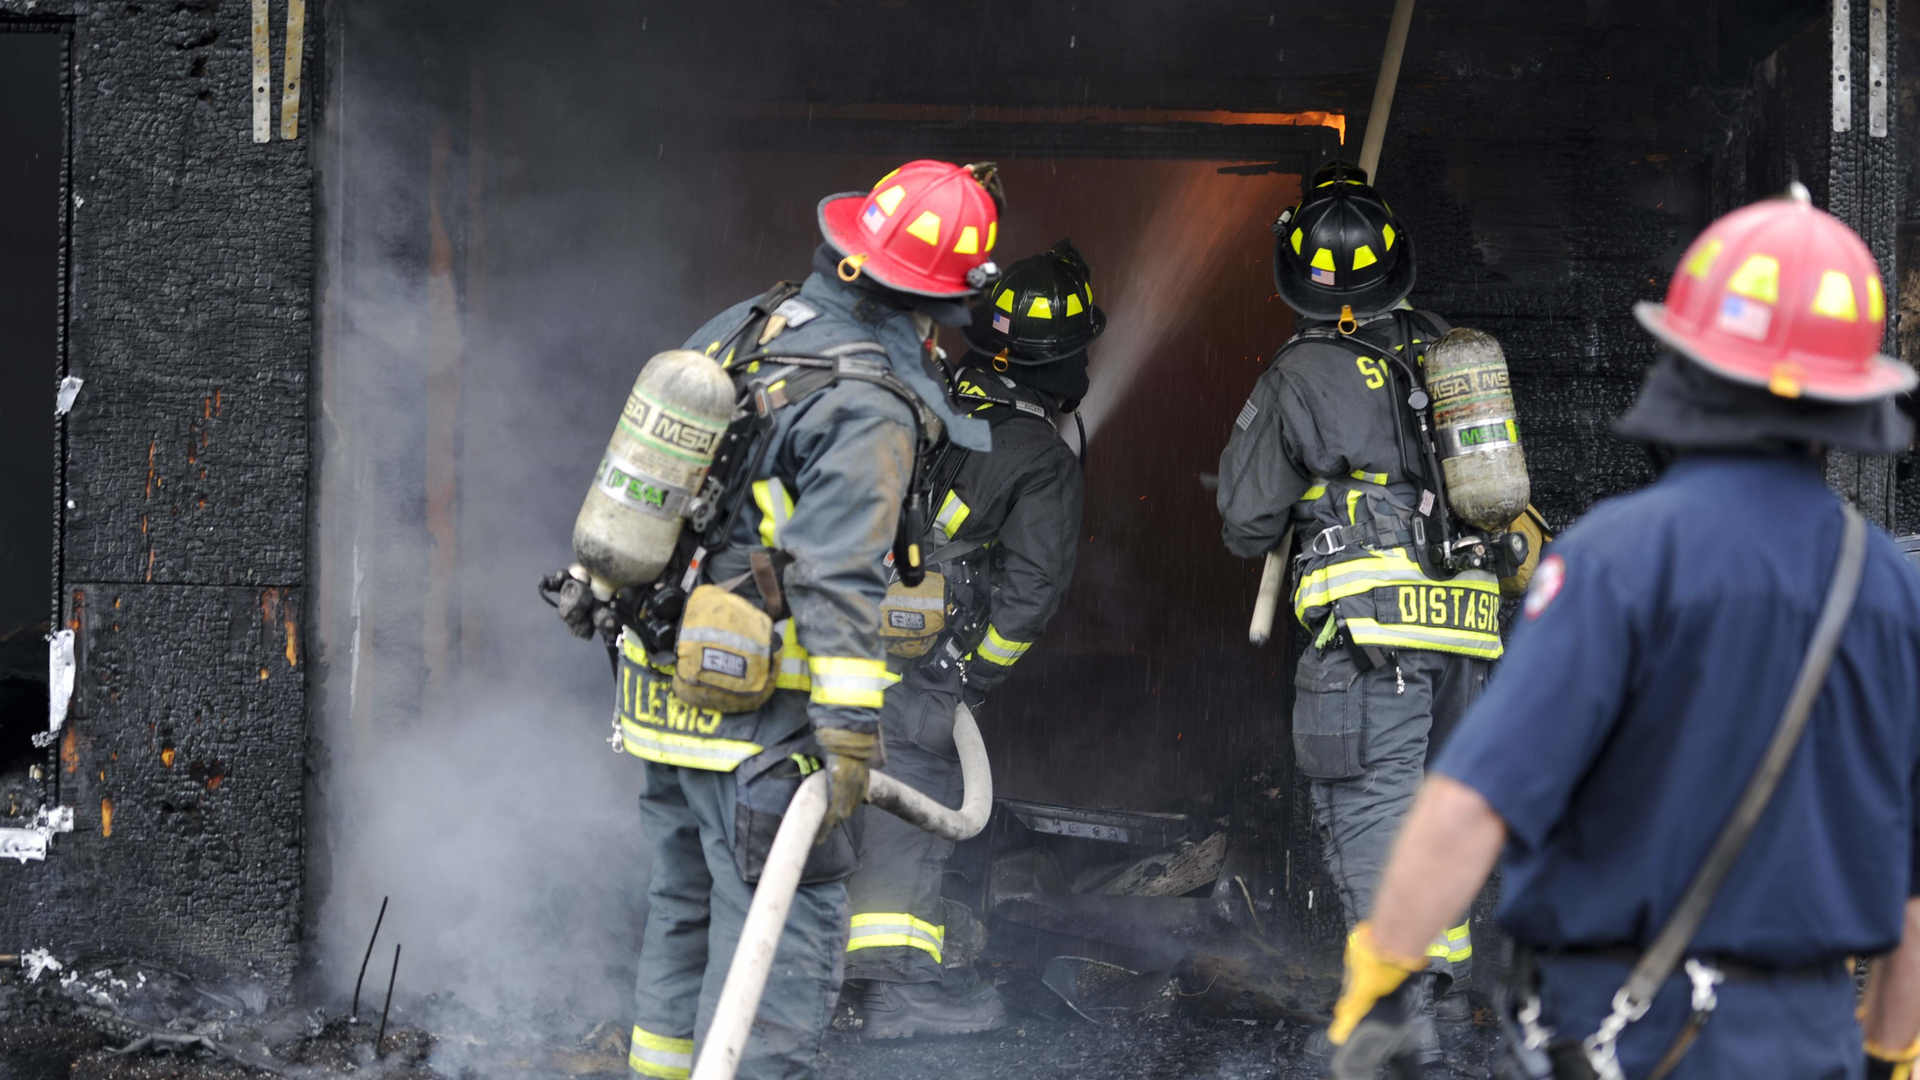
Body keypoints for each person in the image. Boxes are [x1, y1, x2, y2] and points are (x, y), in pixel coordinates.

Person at [1325, 185, 1920, 1080]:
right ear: (1846, 404)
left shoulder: (1616, 563)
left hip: (1629, 1039)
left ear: (1687, 367)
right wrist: (1890, 1049)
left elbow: (1468, 807)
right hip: (1806, 1043)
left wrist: (1381, 990)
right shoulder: (1889, 591)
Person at [559, 160, 1004, 1080]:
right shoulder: (870, 404)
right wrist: (847, 735)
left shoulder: (748, 323)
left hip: (662, 688)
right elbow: (838, 575)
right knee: (781, 953)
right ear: (940, 303)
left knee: (683, 910)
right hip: (763, 726)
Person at [1216, 160, 1495, 1056]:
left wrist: (1301, 485)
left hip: (1373, 633)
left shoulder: (1300, 373)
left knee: (1372, 813)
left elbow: (1241, 520)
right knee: (1439, 805)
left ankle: (1392, 1011)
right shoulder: (1445, 345)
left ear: (1296, 277)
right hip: (1467, 629)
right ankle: (1438, 981)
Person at [842, 240, 1099, 1038]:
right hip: (919, 667)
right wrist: (967, 680)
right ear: (1063, 360)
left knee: (837, 795)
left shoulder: (927, 396)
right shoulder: (1042, 461)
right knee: (910, 807)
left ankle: (813, 973)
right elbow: (1029, 599)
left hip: (835, 628)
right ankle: (896, 994)